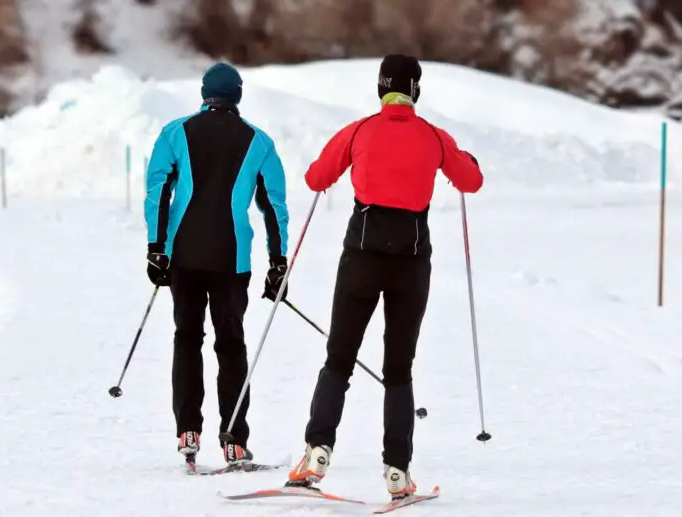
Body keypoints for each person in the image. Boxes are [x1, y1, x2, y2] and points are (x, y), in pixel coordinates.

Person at [285, 54, 484, 498]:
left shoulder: (359, 130)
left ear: (380, 88)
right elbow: (471, 181)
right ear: (415, 90)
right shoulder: (433, 137)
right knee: (399, 369)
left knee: (339, 357)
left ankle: (317, 452)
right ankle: (397, 471)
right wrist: (465, 158)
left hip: (361, 258)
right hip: (411, 265)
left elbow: (316, 178)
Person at [144, 62, 290, 467]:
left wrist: (156, 248)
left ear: (204, 93)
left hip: (184, 256)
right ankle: (234, 440)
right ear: (237, 95)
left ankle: (187, 430)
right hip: (232, 258)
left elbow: (158, 190)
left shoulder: (175, 132)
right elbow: (273, 207)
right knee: (231, 344)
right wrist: (279, 263)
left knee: (186, 338)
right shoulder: (258, 142)